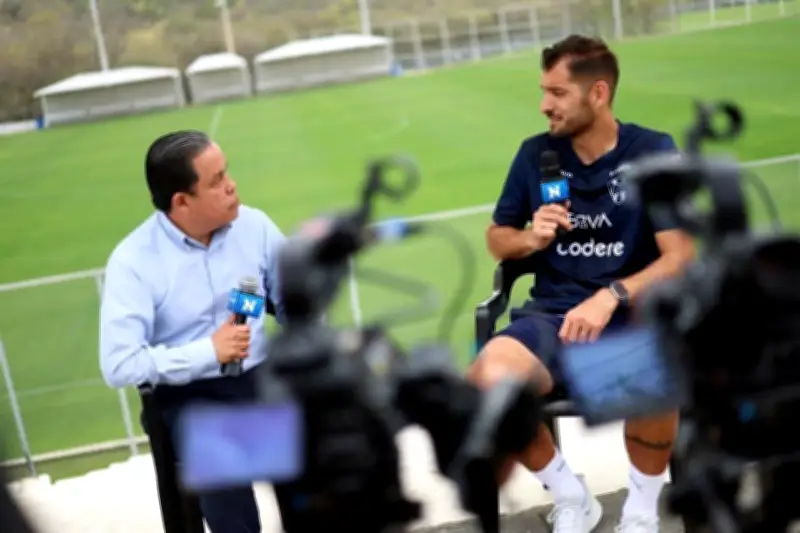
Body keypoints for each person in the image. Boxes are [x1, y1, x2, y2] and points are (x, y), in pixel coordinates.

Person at [469, 35, 697, 533]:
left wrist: (611, 294)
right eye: (543, 91)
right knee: (487, 382)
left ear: (598, 93)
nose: (544, 104)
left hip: (631, 315)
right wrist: (532, 237)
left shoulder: (654, 151)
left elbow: (680, 254)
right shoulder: (535, 155)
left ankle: (639, 511)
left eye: (558, 93)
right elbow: (497, 239)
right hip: (551, 315)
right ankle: (572, 495)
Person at [99, 130, 286, 533]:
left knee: (328, 450)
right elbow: (118, 364)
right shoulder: (132, 262)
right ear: (181, 201)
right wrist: (209, 351)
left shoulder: (256, 227)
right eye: (216, 181)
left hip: (262, 377)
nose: (232, 185)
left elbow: (296, 303)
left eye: (227, 173)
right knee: (227, 483)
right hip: (192, 394)